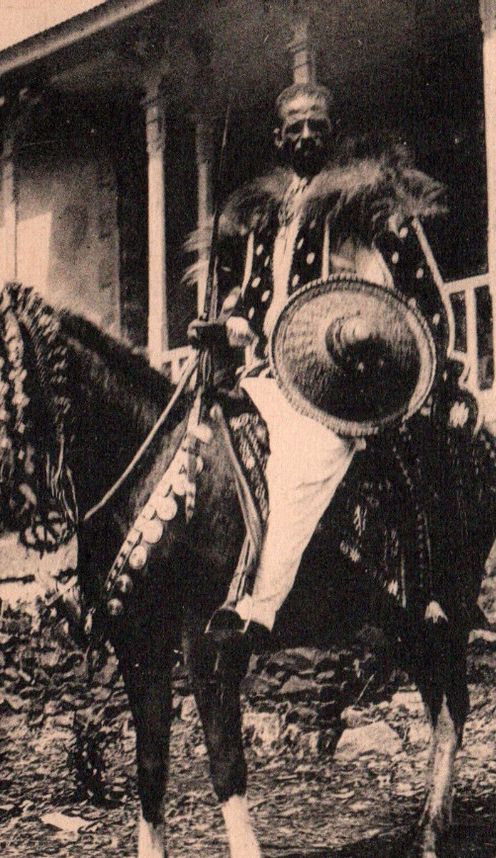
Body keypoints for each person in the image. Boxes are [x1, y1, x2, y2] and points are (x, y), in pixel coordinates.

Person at [189, 81, 446, 643]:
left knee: (307, 453)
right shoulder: (264, 214)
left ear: (333, 132)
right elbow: (250, 293)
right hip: (263, 371)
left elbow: (409, 289)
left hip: (336, 380)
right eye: (295, 125)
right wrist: (233, 321)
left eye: (317, 124)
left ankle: (261, 607)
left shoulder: (360, 203)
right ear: (278, 137)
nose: (306, 135)